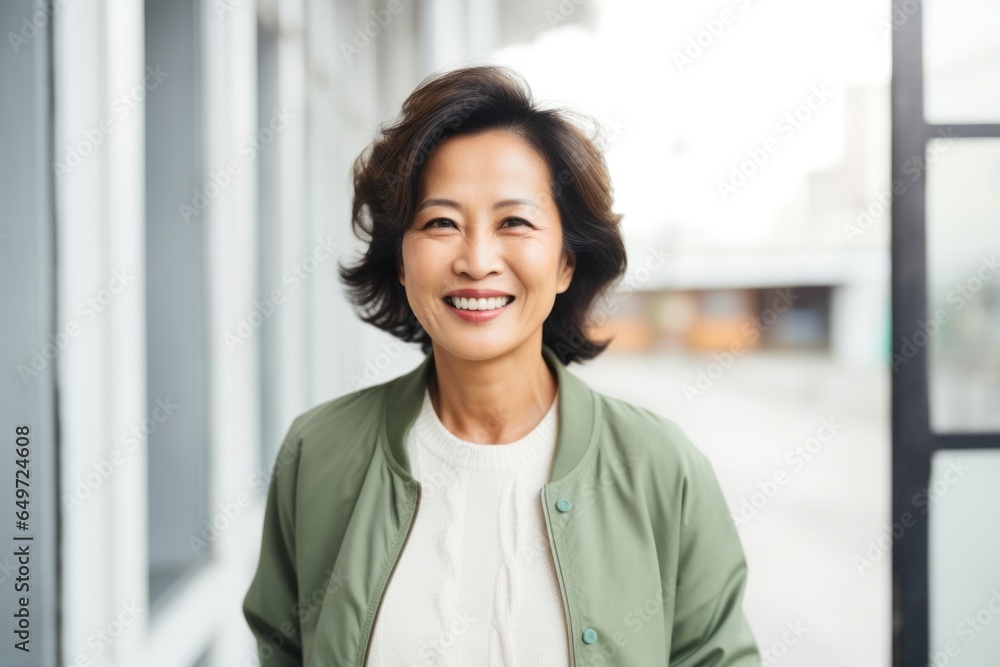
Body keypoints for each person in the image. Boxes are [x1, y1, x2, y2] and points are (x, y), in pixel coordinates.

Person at [242, 64, 761, 666]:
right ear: (401, 261)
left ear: (566, 262)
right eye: (441, 223)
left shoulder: (660, 467)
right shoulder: (319, 453)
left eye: (514, 221)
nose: (478, 260)